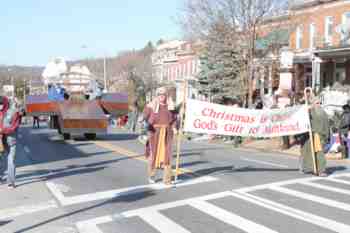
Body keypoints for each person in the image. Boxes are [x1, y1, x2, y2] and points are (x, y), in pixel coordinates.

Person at [143, 87, 177, 185]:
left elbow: (174, 119)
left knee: (167, 155)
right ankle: (151, 175)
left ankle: (167, 179)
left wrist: (174, 127)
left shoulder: (170, 106)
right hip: (155, 132)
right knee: (154, 154)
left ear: (166, 95)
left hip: (167, 132)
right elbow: (145, 116)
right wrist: (144, 120)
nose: (161, 96)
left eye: (163, 94)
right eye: (159, 94)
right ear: (157, 95)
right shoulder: (151, 106)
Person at [298, 97, 329, 176]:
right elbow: (302, 118)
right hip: (309, 136)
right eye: (317, 103)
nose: (319, 105)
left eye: (319, 103)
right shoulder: (309, 112)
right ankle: (305, 167)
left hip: (320, 136)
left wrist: (327, 136)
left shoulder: (323, 113)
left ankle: (321, 170)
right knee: (306, 152)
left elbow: (327, 126)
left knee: (320, 153)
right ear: (313, 104)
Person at [0, 96, 20, 188]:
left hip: (1, 138)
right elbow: (15, 126)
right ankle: (11, 183)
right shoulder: (14, 112)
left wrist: (2, 131)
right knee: (11, 159)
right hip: (11, 138)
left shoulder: (1, 113)